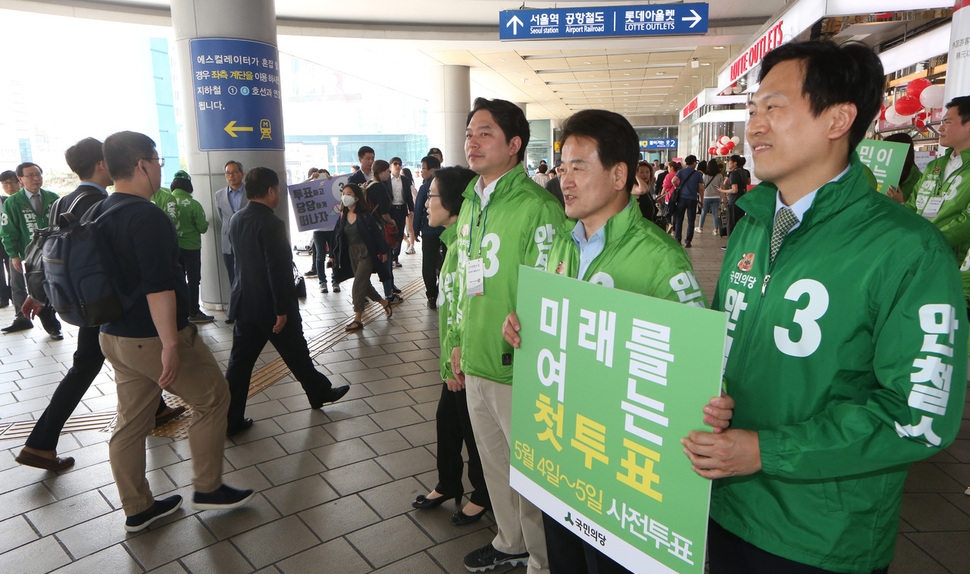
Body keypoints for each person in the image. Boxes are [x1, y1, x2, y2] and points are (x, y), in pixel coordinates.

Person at [682, 41, 967, 574]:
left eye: (775, 107)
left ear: (839, 118)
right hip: (721, 506)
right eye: (752, 110)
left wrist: (768, 451)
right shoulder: (752, 225)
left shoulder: (907, 249)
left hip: (820, 538)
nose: (755, 126)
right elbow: (723, 340)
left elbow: (919, 414)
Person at [502, 109, 731, 574]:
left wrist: (711, 393)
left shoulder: (659, 260)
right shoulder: (560, 247)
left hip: (620, 476)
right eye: (562, 168)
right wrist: (521, 326)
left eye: (579, 166)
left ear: (619, 174)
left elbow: (696, 369)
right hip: (565, 457)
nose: (564, 180)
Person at [97, 131, 255, 532]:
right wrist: (171, 344)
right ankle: (207, 486)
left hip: (115, 336)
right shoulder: (145, 215)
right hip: (152, 336)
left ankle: (138, 508)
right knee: (214, 398)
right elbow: (158, 286)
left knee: (131, 421)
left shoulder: (101, 211)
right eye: (157, 161)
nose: (158, 169)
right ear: (142, 165)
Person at [15, 137, 184, 472]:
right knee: (85, 369)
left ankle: (156, 408)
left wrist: (39, 293)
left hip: (87, 301)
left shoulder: (65, 199)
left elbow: (55, 253)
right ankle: (40, 443)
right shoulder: (96, 200)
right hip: (102, 303)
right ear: (101, 164)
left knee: (108, 363)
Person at [451, 97, 566, 574]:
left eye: (484, 133)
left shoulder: (537, 206)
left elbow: (551, 289)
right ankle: (509, 541)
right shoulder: (472, 203)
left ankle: (541, 561)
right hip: (475, 357)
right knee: (494, 465)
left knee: (532, 473)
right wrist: (456, 340)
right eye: (469, 133)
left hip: (518, 366)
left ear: (515, 145)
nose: (471, 142)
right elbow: (463, 279)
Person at [223, 167, 350, 436]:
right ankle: (320, 393)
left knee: (239, 365)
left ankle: (229, 420)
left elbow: (240, 263)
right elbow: (277, 270)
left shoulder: (236, 219)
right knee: (296, 352)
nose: (279, 194)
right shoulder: (272, 223)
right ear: (270, 191)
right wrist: (281, 310)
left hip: (245, 304)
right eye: (278, 189)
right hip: (271, 307)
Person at [410, 166, 491, 527]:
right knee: (448, 419)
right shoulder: (451, 241)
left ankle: (483, 494)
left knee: (473, 430)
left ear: (454, 202)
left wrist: (456, 362)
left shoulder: (466, 246)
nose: (426, 203)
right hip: (452, 359)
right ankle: (448, 482)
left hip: (464, 359)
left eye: (431, 195)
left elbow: (467, 305)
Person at [0, 162, 61, 338]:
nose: (36, 178)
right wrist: (14, 256)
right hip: (28, 256)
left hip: (53, 253)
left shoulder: (53, 197)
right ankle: (48, 325)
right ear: (21, 179)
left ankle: (55, 321)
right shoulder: (13, 202)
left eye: (38, 174)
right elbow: (7, 231)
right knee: (33, 289)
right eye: (30, 175)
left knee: (53, 288)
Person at [330, 182, 392, 331]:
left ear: (357, 198)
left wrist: (383, 252)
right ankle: (385, 303)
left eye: (349, 194)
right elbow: (336, 236)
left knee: (358, 285)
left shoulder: (365, 216)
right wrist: (332, 255)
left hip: (366, 253)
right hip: (352, 253)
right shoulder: (343, 216)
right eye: (343, 193)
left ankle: (357, 320)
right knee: (365, 285)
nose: (345, 197)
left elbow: (377, 235)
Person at [171, 171, 213, 324]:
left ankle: (179, 312)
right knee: (193, 279)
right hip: (192, 247)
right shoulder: (194, 204)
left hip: (174, 248)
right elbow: (202, 227)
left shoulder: (168, 202)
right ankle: (194, 311)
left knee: (178, 279)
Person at [366, 160, 403, 304]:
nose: (388, 173)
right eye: (387, 171)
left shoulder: (368, 185)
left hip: (370, 229)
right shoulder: (379, 188)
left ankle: (369, 292)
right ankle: (389, 294)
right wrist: (392, 222)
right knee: (386, 259)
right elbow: (384, 213)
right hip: (381, 230)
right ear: (380, 172)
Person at [413, 155, 444, 309]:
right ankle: (444, 287)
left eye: (423, 168)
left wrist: (415, 229)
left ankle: (431, 294)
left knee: (429, 262)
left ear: (432, 170)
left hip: (429, 231)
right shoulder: (447, 185)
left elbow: (418, 209)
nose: (422, 172)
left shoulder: (426, 188)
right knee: (446, 260)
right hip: (447, 230)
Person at [214, 160, 248, 289]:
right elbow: (222, 217)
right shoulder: (219, 195)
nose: (231, 176)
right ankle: (236, 307)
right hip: (228, 243)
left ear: (242, 174)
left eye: (234, 172)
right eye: (228, 173)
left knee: (249, 276)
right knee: (233, 278)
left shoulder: (250, 193)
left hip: (247, 241)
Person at [387, 157, 415, 268]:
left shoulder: (405, 180)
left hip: (401, 209)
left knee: (399, 234)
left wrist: (411, 209)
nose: (398, 166)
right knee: (390, 232)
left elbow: (408, 196)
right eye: (395, 164)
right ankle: (389, 256)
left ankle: (395, 258)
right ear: (390, 166)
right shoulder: (387, 180)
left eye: (400, 164)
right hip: (390, 210)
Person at [671, 155, 703, 247]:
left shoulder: (681, 171)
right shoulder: (697, 174)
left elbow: (673, 180)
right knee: (691, 221)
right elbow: (701, 188)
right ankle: (688, 241)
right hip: (692, 200)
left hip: (682, 199)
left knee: (679, 219)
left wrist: (678, 187)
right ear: (693, 163)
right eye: (695, 162)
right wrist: (702, 200)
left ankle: (678, 240)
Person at [883, 132, 922, 204]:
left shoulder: (917, 179)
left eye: (888, 149)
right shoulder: (884, 171)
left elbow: (915, 211)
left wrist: (900, 202)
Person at [719, 154, 749, 237]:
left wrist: (723, 191)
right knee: (739, 223)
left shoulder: (733, 174)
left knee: (731, 224)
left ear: (735, 163)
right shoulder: (744, 172)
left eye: (729, 162)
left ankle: (731, 245)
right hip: (742, 200)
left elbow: (734, 189)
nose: (728, 163)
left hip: (734, 201)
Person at [0, 170, 18, 308]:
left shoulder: (7, 200)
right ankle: (3, 297)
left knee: (13, 267)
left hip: (8, 240)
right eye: (5, 183)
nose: (9, 186)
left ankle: (14, 294)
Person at [697, 159, 724, 235]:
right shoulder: (720, 175)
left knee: (704, 212)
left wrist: (700, 197)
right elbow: (721, 187)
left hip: (706, 196)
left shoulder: (705, 175)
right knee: (715, 213)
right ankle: (715, 230)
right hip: (716, 196)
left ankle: (700, 228)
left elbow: (702, 186)